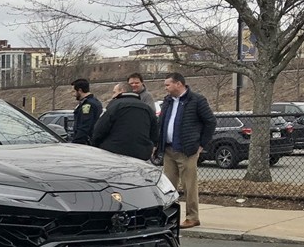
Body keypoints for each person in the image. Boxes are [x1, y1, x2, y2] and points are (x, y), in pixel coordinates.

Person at [157, 73, 216, 229]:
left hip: (187, 151)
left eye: (168, 84)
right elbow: (162, 122)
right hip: (169, 149)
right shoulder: (168, 101)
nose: (166, 88)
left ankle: (192, 217)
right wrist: (158, 143)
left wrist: (201, 144)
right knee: (168, 186)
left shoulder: (196, 100)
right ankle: (168, 216)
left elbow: (210, 122)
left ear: (178, 84)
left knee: (189, 185)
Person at [91, 82, 158, 161]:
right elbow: (155, 132)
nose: (113, 96)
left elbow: (100, 128)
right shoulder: (147, 108)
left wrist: (95, 144)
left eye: (114, 92)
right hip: (141, 153)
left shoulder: (115, 106)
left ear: (122, 91)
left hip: (115, 152)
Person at [70, 78, 103, 144]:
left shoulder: (87, 105)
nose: (73, 94)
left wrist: (76, 142)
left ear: (80, 90)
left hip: (85, 142)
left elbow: (85, 126)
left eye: (73, 91)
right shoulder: (94, 101)